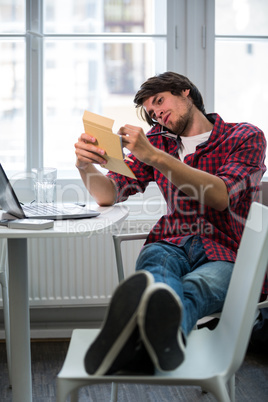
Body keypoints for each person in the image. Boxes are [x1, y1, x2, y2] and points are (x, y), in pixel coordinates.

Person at [75, 72, 267, 376]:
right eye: (151, 112)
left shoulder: (244, 136)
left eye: (160, 101)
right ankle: (156, 341)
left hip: (228, 251)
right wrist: (85, 167)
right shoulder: (156, 142)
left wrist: (155, 158)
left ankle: (133, 339)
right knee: (158, 277)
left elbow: (219, 196)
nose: (157, 113)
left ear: (185, 92)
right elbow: (110, 194)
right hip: (171, 242)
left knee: (195, 288)